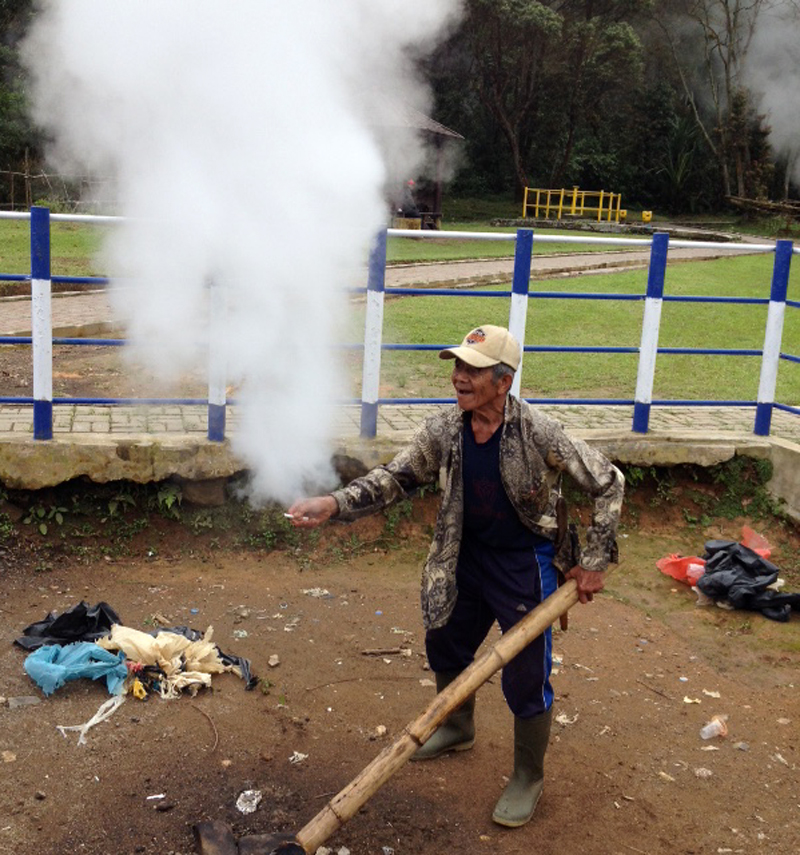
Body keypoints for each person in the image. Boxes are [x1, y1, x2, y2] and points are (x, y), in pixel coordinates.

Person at [288, 324, 624, 828]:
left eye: (472, 369)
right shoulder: (446, 430)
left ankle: (528, 775)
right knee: (444, 639)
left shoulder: (539, 433)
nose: (458, 377)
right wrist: (334, 503)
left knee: (526, 675)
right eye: (457, 366)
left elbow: (609, 482)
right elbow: (394, 477)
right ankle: (458, 726)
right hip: (464, 555)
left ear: (503, 382)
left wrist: (593, 562)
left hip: (523, 563)